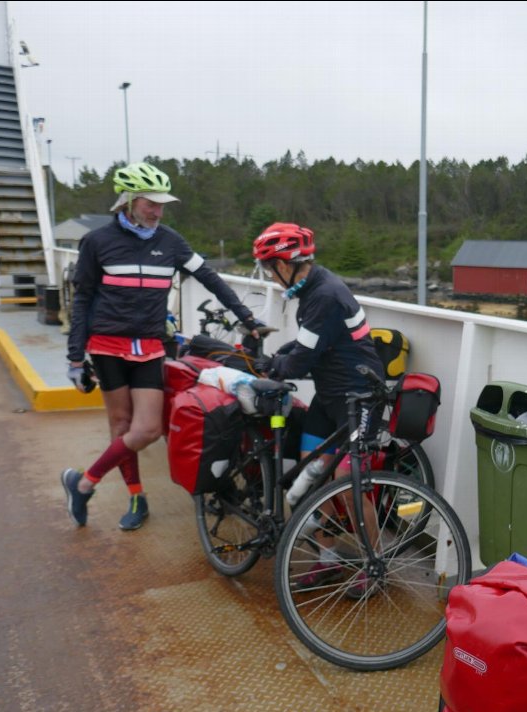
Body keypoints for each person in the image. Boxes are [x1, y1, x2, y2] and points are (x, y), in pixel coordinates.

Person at [61, 162, 263, 531]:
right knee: (121, 426)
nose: (158, 211)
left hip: (151, 347)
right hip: (106, 346)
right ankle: (137, 497)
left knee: (148, 429)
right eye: (150, 203)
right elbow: (83, 299)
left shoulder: (170, 241)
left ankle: (83, 482)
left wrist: (248, 319)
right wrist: (75, 357)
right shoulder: (97, 242)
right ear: (128, 201)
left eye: (162, 204)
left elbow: (211, 279)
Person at [251, 222, 385, 595]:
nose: (270, 276)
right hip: (329, 395)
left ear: (287, 263)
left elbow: (298, 364)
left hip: (358, 396)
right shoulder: (312, 288)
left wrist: (272, 365)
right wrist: (280, 353)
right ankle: (327, 560)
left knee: (347, 485)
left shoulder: (324, 294)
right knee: (311, 475)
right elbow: (308, 341)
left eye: (269, 267)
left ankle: (375, 565)